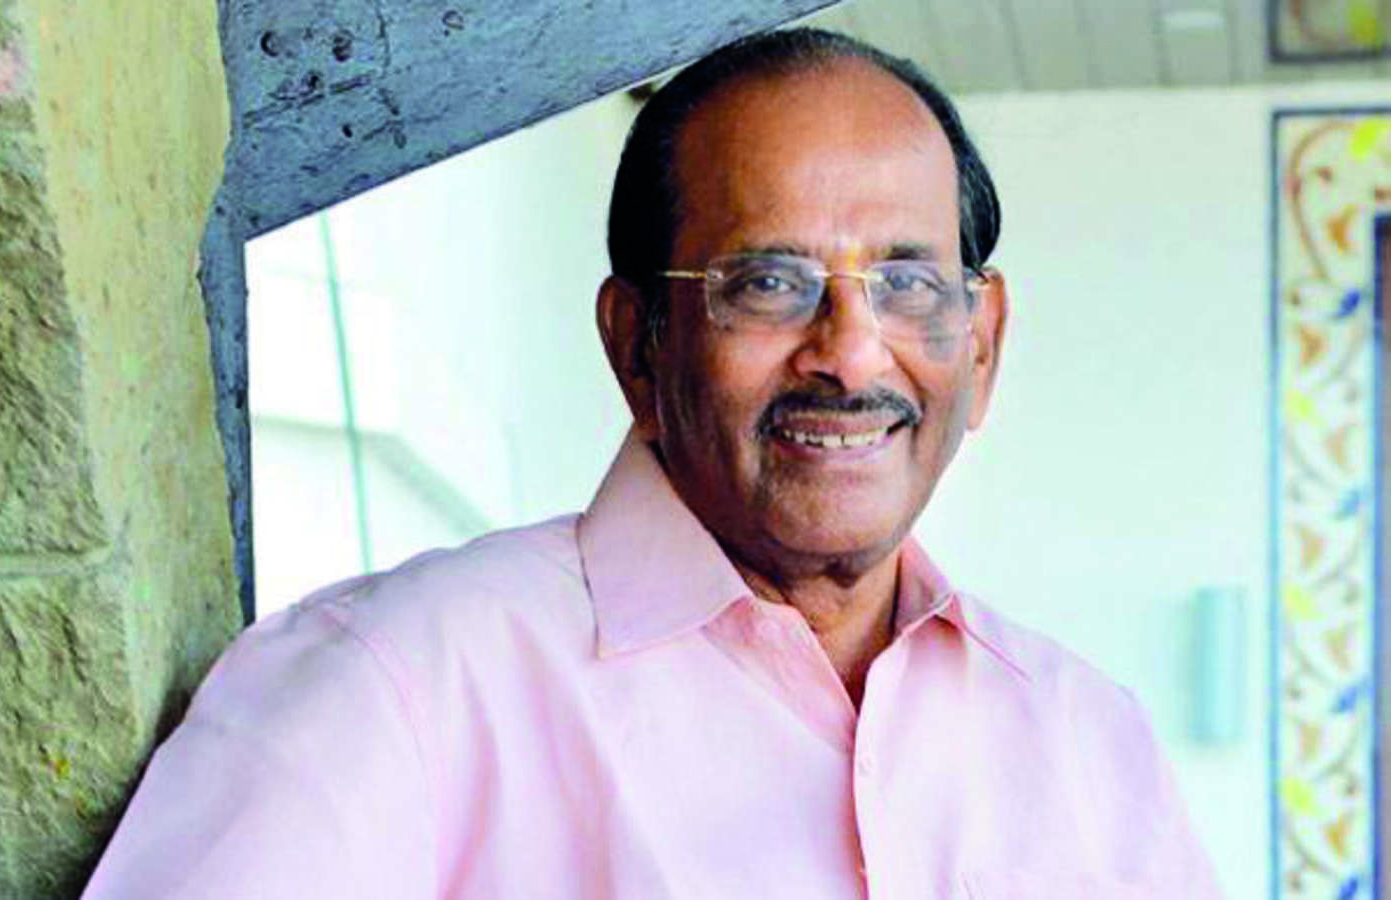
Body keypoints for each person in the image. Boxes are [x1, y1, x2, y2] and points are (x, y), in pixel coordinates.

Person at [84, 27, 1220, 899]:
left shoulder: (1087, 741)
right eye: (768, 283)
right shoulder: (395, 684)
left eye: (909, 284)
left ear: (982, 343)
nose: (850, 351)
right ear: (637, 342)